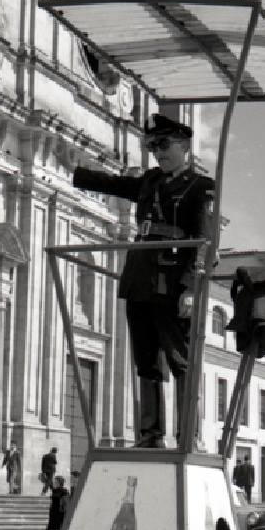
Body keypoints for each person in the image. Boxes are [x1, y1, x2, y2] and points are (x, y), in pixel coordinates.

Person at [71, 114, 214, 447]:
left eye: (164, 145)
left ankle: (187, 436)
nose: (158, 153)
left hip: (173, 283)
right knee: (146, 362)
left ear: (184, 146)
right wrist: (76, 171)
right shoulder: (150, 181)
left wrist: (191, 288)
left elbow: (204, 243)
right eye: (153, 146)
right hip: (140, 280)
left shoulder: (201, 188)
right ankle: (150, 436)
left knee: (180, 361)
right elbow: (115, 184)